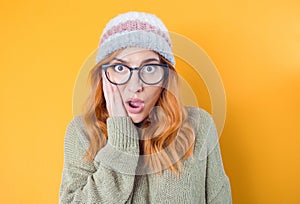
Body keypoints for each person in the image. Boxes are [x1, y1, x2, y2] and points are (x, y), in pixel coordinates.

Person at [59, 11, 232, 204]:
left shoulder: (199, 126)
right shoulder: (82, 133)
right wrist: (120, 141)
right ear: (104, 76)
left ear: (166, 77)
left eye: (149, 68)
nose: (135, 86)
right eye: (120, 68)